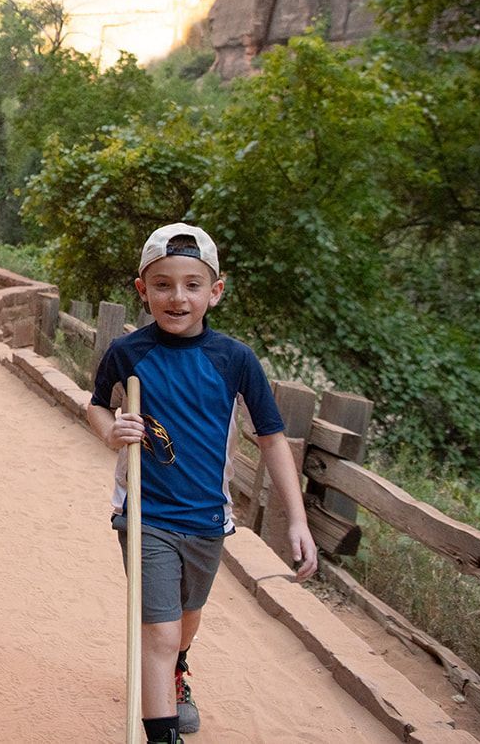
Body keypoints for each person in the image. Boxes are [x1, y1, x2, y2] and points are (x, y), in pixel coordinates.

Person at [87, 223, 317, 743]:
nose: (177, 296)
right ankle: (161, 732)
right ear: (143, 290)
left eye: (193, 284)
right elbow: (98, 405)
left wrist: (298, 521)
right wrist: (110, 430)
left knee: (186, 622)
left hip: (208, 518)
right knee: (160, 632)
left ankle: (176, 670)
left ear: (215, 291)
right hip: (146, 515)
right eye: (163, 284)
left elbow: (273, 439)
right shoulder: (128, 353)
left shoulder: (235, 360)